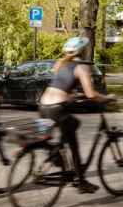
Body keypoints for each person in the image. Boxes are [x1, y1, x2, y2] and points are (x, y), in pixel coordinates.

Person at [38, 37, 116, 194]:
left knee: (73, 125)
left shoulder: (62, 65)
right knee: (74, 145)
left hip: (43, 107)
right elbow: (91, 94)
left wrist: (75, 95)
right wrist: (107, 98)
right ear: (83, 51)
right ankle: (80, 182)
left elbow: (62, 87)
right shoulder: (82, 67)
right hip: (57, 109)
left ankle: (57, 153)